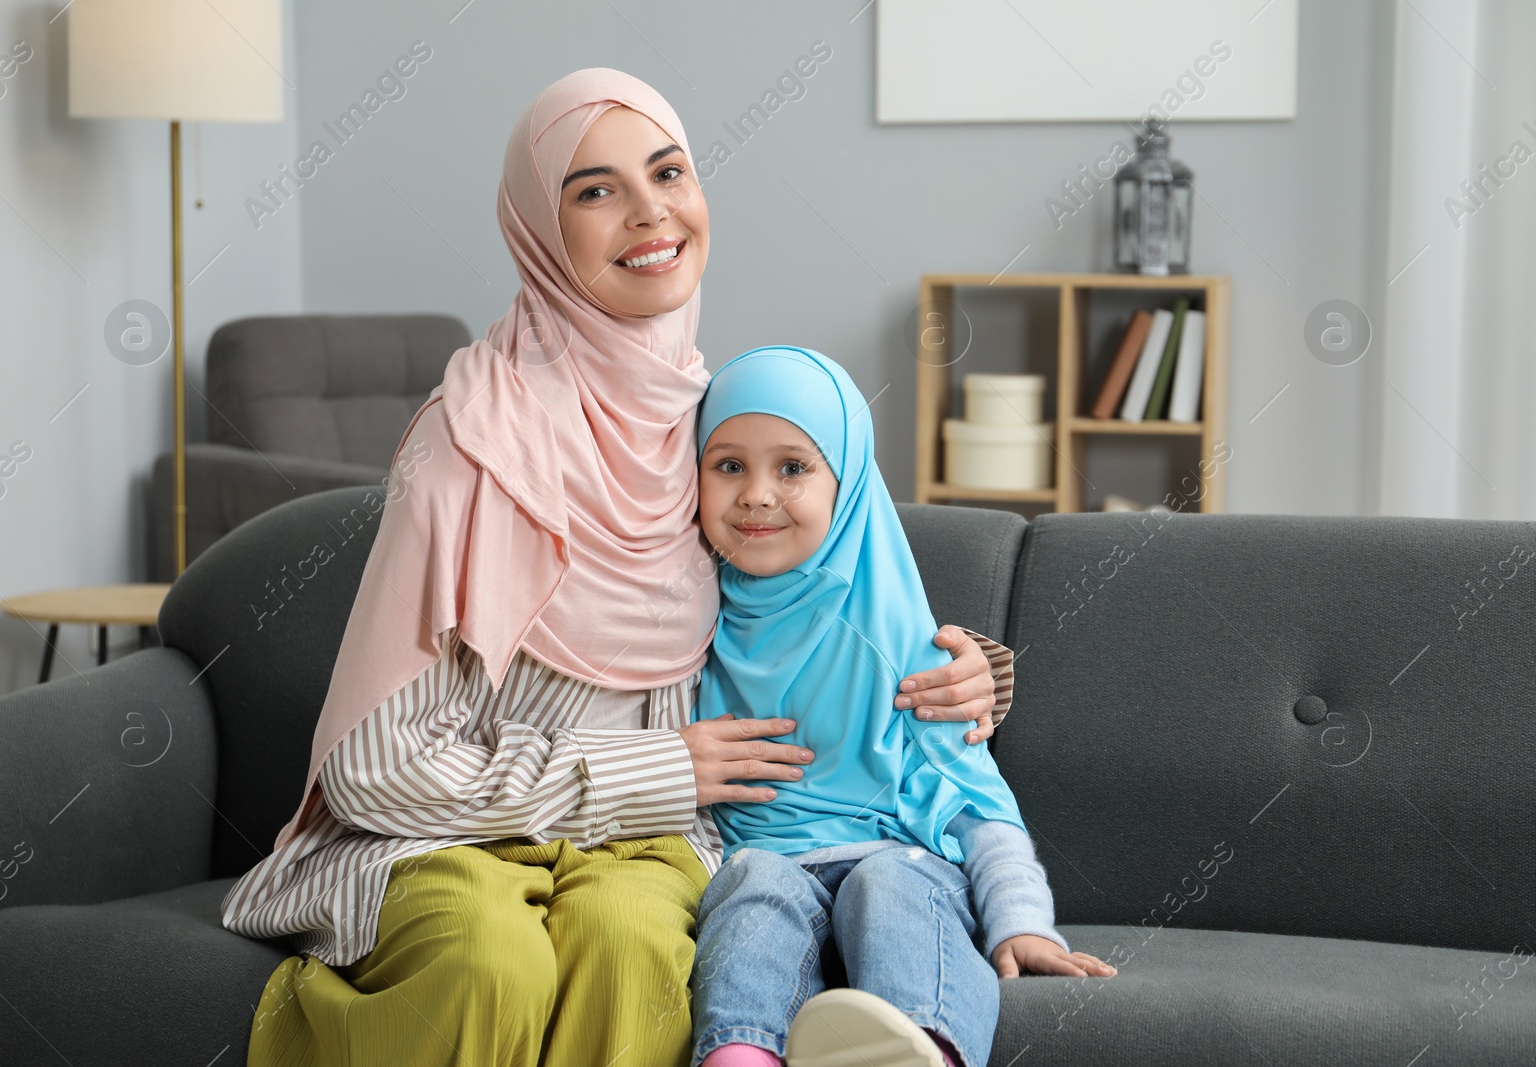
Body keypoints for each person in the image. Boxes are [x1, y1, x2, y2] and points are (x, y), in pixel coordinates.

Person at [218, 69, 1016, 1067]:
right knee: (485, 957)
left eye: (668, 171)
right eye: (594, 189)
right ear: (538, 232)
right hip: (439, 835)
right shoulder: (468, 441)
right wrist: (657, 765)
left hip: (649, 845)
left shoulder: (715, 430)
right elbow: (374, 768)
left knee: (634, 949)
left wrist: (968, 672)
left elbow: (826, 599)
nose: (649, 211)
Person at [687, 347, 1117, 1067]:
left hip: (900, 857)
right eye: (728, 465)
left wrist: (1022, 923)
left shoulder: (905, 650)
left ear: (848, 481)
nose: (757, 493)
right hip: (761, 859)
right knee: (754, 884)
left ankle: (924, 1049)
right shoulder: (685, 626)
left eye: (793, 467)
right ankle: (739, 1054)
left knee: (887, 885)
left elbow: (978, 807)